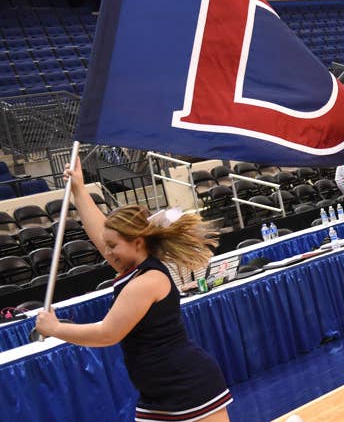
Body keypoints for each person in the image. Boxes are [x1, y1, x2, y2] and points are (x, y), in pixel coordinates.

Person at [36, 164, 232, 422]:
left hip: (187, 387)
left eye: (113, 246)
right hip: (157, 392)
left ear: (137, 242)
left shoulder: (146, 281)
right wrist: (79, 190)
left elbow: (107, 334)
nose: (107, 252)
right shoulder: (134, 267)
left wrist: (55, 328)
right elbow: (100, 233)